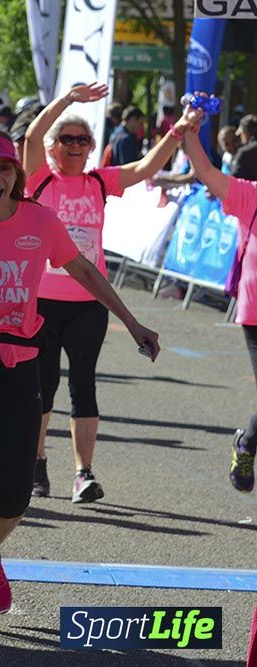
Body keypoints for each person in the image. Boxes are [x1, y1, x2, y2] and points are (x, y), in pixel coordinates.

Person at [0, 129, 160, 629]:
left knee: (13, 497)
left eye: (4, 168)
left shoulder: (40, 221)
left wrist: (133, 322)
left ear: (16, 175)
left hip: (18, 371)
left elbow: (84, 271)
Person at [22, 83, 196, 501]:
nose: (75, 146)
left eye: (83, 140)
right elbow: (30, 135)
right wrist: (68, 101)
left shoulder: (99, 182)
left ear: (91, 147)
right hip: (42, 301)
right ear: (53, 147)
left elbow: (146, 167)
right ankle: (37, 460)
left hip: (89, 302)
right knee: (43, 387)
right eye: (67, 139)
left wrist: (178, 130)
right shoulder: (41, 180)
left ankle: (83, 473)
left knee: (84, 386)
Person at [180, 106, 257, 494]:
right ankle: (246, 444)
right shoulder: (251, 196)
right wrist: (190, 134)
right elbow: (208, 173)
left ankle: (248, 441)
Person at [232, 114, 257, 182]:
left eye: (241, 133)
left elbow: (234, 181)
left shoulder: (245, 153)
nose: (240, 136)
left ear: (245, 132)